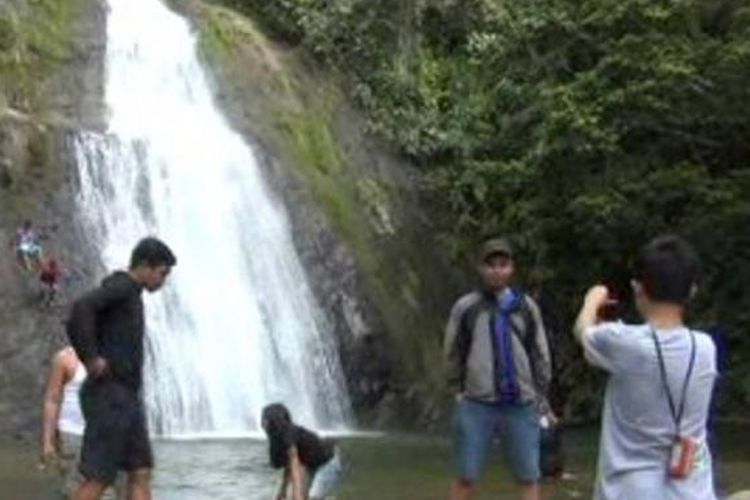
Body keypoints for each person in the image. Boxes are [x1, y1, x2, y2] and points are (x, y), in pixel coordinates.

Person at [574, 235, 717, 499]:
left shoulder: (625, 343)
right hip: (692, 489)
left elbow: (583, 331)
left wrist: (592, 300)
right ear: (692, 291)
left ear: (637, 288)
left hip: (629, 490)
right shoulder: (706, 348)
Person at [67, 237, 176, 500]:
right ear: (145, 266)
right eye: (162, 273)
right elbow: (81, 308)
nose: (163, 281)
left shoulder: (131, 294)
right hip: (110, 395)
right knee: (100, 477)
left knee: (140, 471)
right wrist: (91, 358)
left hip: (127, 397)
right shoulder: (123, 287)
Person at [443, 237, 552, 500]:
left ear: (511, 268)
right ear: (480, 268)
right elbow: (452, 350)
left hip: (521, 401)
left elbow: (540, 351)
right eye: (490, 265)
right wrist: (455, 389)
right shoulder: (466, 307)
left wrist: (541, 393)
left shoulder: (526, 307)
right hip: (477, 401)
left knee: (529, 474)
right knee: (466, 473)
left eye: (503, 264)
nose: (497, 270)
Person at [41, 347, 122, 499]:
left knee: (108, 493)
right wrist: (48, 442)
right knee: (75, 489)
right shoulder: (65, 358)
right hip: (73, 436)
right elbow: (52, 400)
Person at [261, 403, 344, 500]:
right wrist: (282, 491)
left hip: (329, 462)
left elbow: (294, 465)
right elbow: (289, 466)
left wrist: (297, 496)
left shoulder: (288, 436)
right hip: (312, 464)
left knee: (308, 496)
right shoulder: (277, 437)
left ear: (274, 419)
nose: (262, 422)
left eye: (265, 419)